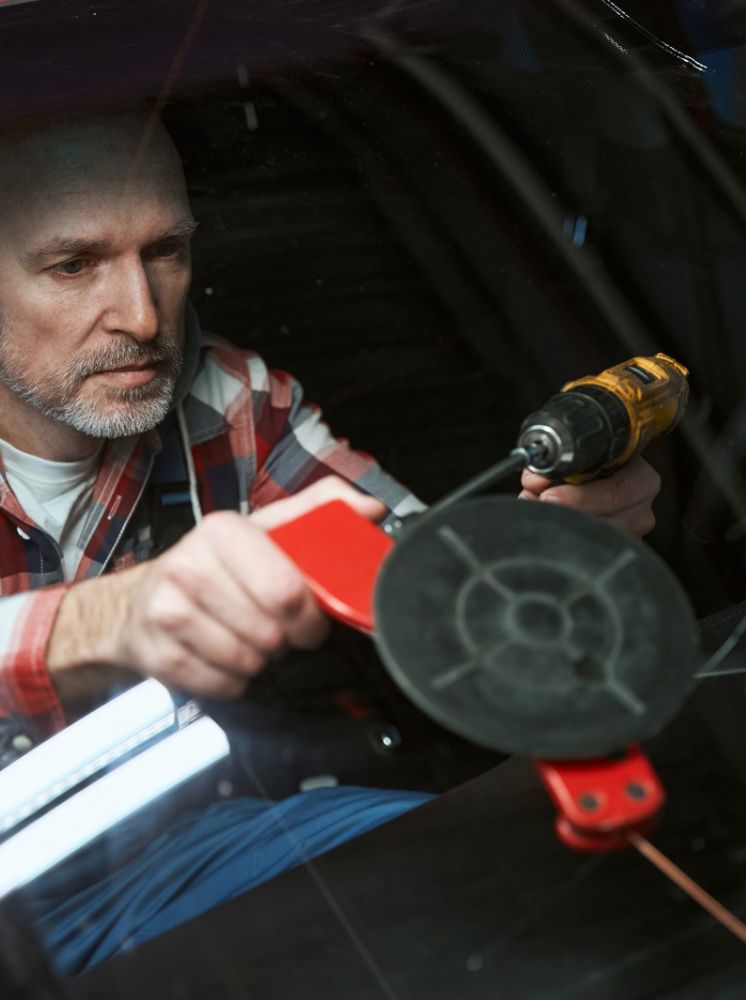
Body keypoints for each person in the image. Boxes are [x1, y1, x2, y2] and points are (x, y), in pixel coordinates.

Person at [0, 108, 661, 975]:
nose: (142, 315)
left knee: (525, 900)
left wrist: (541, 560)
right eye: (74, 264)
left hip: (178, 848)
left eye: (165, 251)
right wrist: (98, 623)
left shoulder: (226, 396)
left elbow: (413, 570)